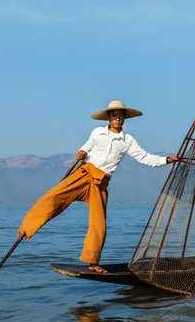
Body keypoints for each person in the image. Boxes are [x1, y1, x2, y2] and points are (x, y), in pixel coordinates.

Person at [17, 100, 179, 273]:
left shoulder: (128, 140)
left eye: (120, 116)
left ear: (124, 119)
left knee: (99, 224)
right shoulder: (97, 133)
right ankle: (27, 227)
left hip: (100, 182)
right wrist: (81, 153)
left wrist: (167, 160)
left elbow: (146, 158)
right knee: (53, 197)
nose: (117, 119)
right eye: (114, 116)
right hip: (84, 174)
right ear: (108, 118)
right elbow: (85, 148)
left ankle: (93, 263)